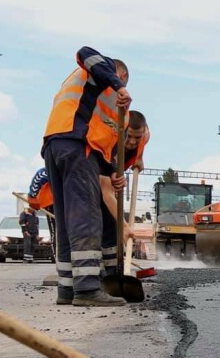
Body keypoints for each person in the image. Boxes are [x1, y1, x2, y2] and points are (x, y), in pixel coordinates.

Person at [41, 46, 131, 307]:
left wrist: (112, 172)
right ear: (120, 74)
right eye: (123, 81)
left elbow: (104, 147)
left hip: (58, 146)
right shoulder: (98, 70)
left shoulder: (100, 102)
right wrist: (117, 84)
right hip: (76, 145)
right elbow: (84, 51)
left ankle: (67, 288)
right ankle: (88, 288)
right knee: (86, 216)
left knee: (67, 221)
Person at [99, 111, 150, 278]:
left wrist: (139, 158)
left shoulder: (144, 135)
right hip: (95, 179)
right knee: (108, 222)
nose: (133, 142)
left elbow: (141, 143)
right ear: (121, 131)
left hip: (115, 177)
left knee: (113, 224)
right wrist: (125, 227)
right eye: (129, 136)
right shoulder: (109, 145)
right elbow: (106, 193)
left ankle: (115, 271)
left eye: (138, 137)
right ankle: (105, 273)